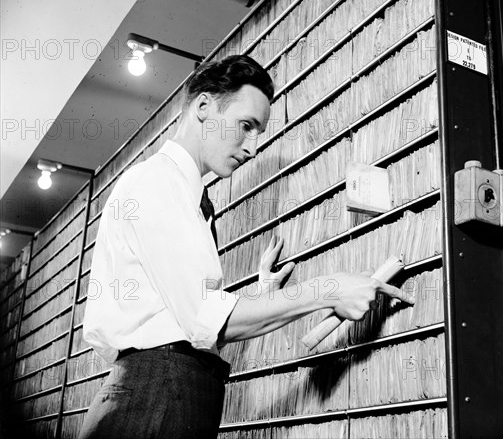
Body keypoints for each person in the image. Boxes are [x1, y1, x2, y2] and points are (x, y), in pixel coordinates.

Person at [79, 55, 413, 438]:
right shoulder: (159, 183)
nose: (252, 148)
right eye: (246, 125)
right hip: (156, 397)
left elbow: (178, 317)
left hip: (159, 391)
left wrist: (262, 294)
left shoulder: (179, 193)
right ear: (203, 107)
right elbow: (204, 318)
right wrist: (330, 289)